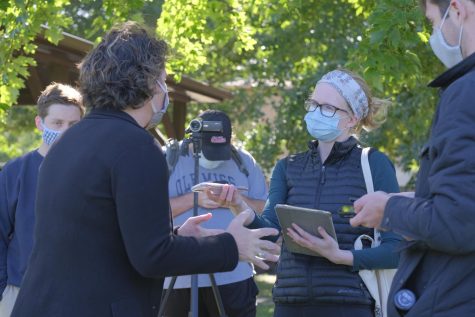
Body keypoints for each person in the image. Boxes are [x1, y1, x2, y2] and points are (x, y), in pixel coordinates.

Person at [10, 22, 279, 317]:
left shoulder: (68, 141)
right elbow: (153, 258)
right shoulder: (136, 146)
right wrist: (231, 245)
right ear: (148, 83)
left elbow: (99, 236)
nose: (166, 89)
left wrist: (175, 236)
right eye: (163, 80)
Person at [206, 69, 402, 317]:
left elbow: (396, 250)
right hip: (290, 303)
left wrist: (342, 256)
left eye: (328, 107)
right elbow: (270, 234)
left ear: (352, 118)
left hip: (349, 306)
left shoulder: (373, 163)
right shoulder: (288, 167)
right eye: (313, 104)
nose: (316, 112)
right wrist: (237, 204)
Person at [350, 0, 475, 316]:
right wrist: (419, 198)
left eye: (433, 21)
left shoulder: (465, 93)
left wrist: (389, 209)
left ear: (458, 10)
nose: (436, 33)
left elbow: (458, 222)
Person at [163, 109, 268, 317]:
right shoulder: (168, 158)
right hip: (179, 277)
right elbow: (147, 211)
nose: (216, 158)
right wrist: (195, 199)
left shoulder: (243, 161)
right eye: (209, 150)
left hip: (233, 275)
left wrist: (234, 200)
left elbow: (263, 209)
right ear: (194, 138)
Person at [0, 82, 84, 317]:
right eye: (57, 123)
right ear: (40, 123)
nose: (66, 131)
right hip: (20, 293)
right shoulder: (15, 172)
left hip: (77, 296)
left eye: (73, 125)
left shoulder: (92, 173)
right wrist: (4, 291)